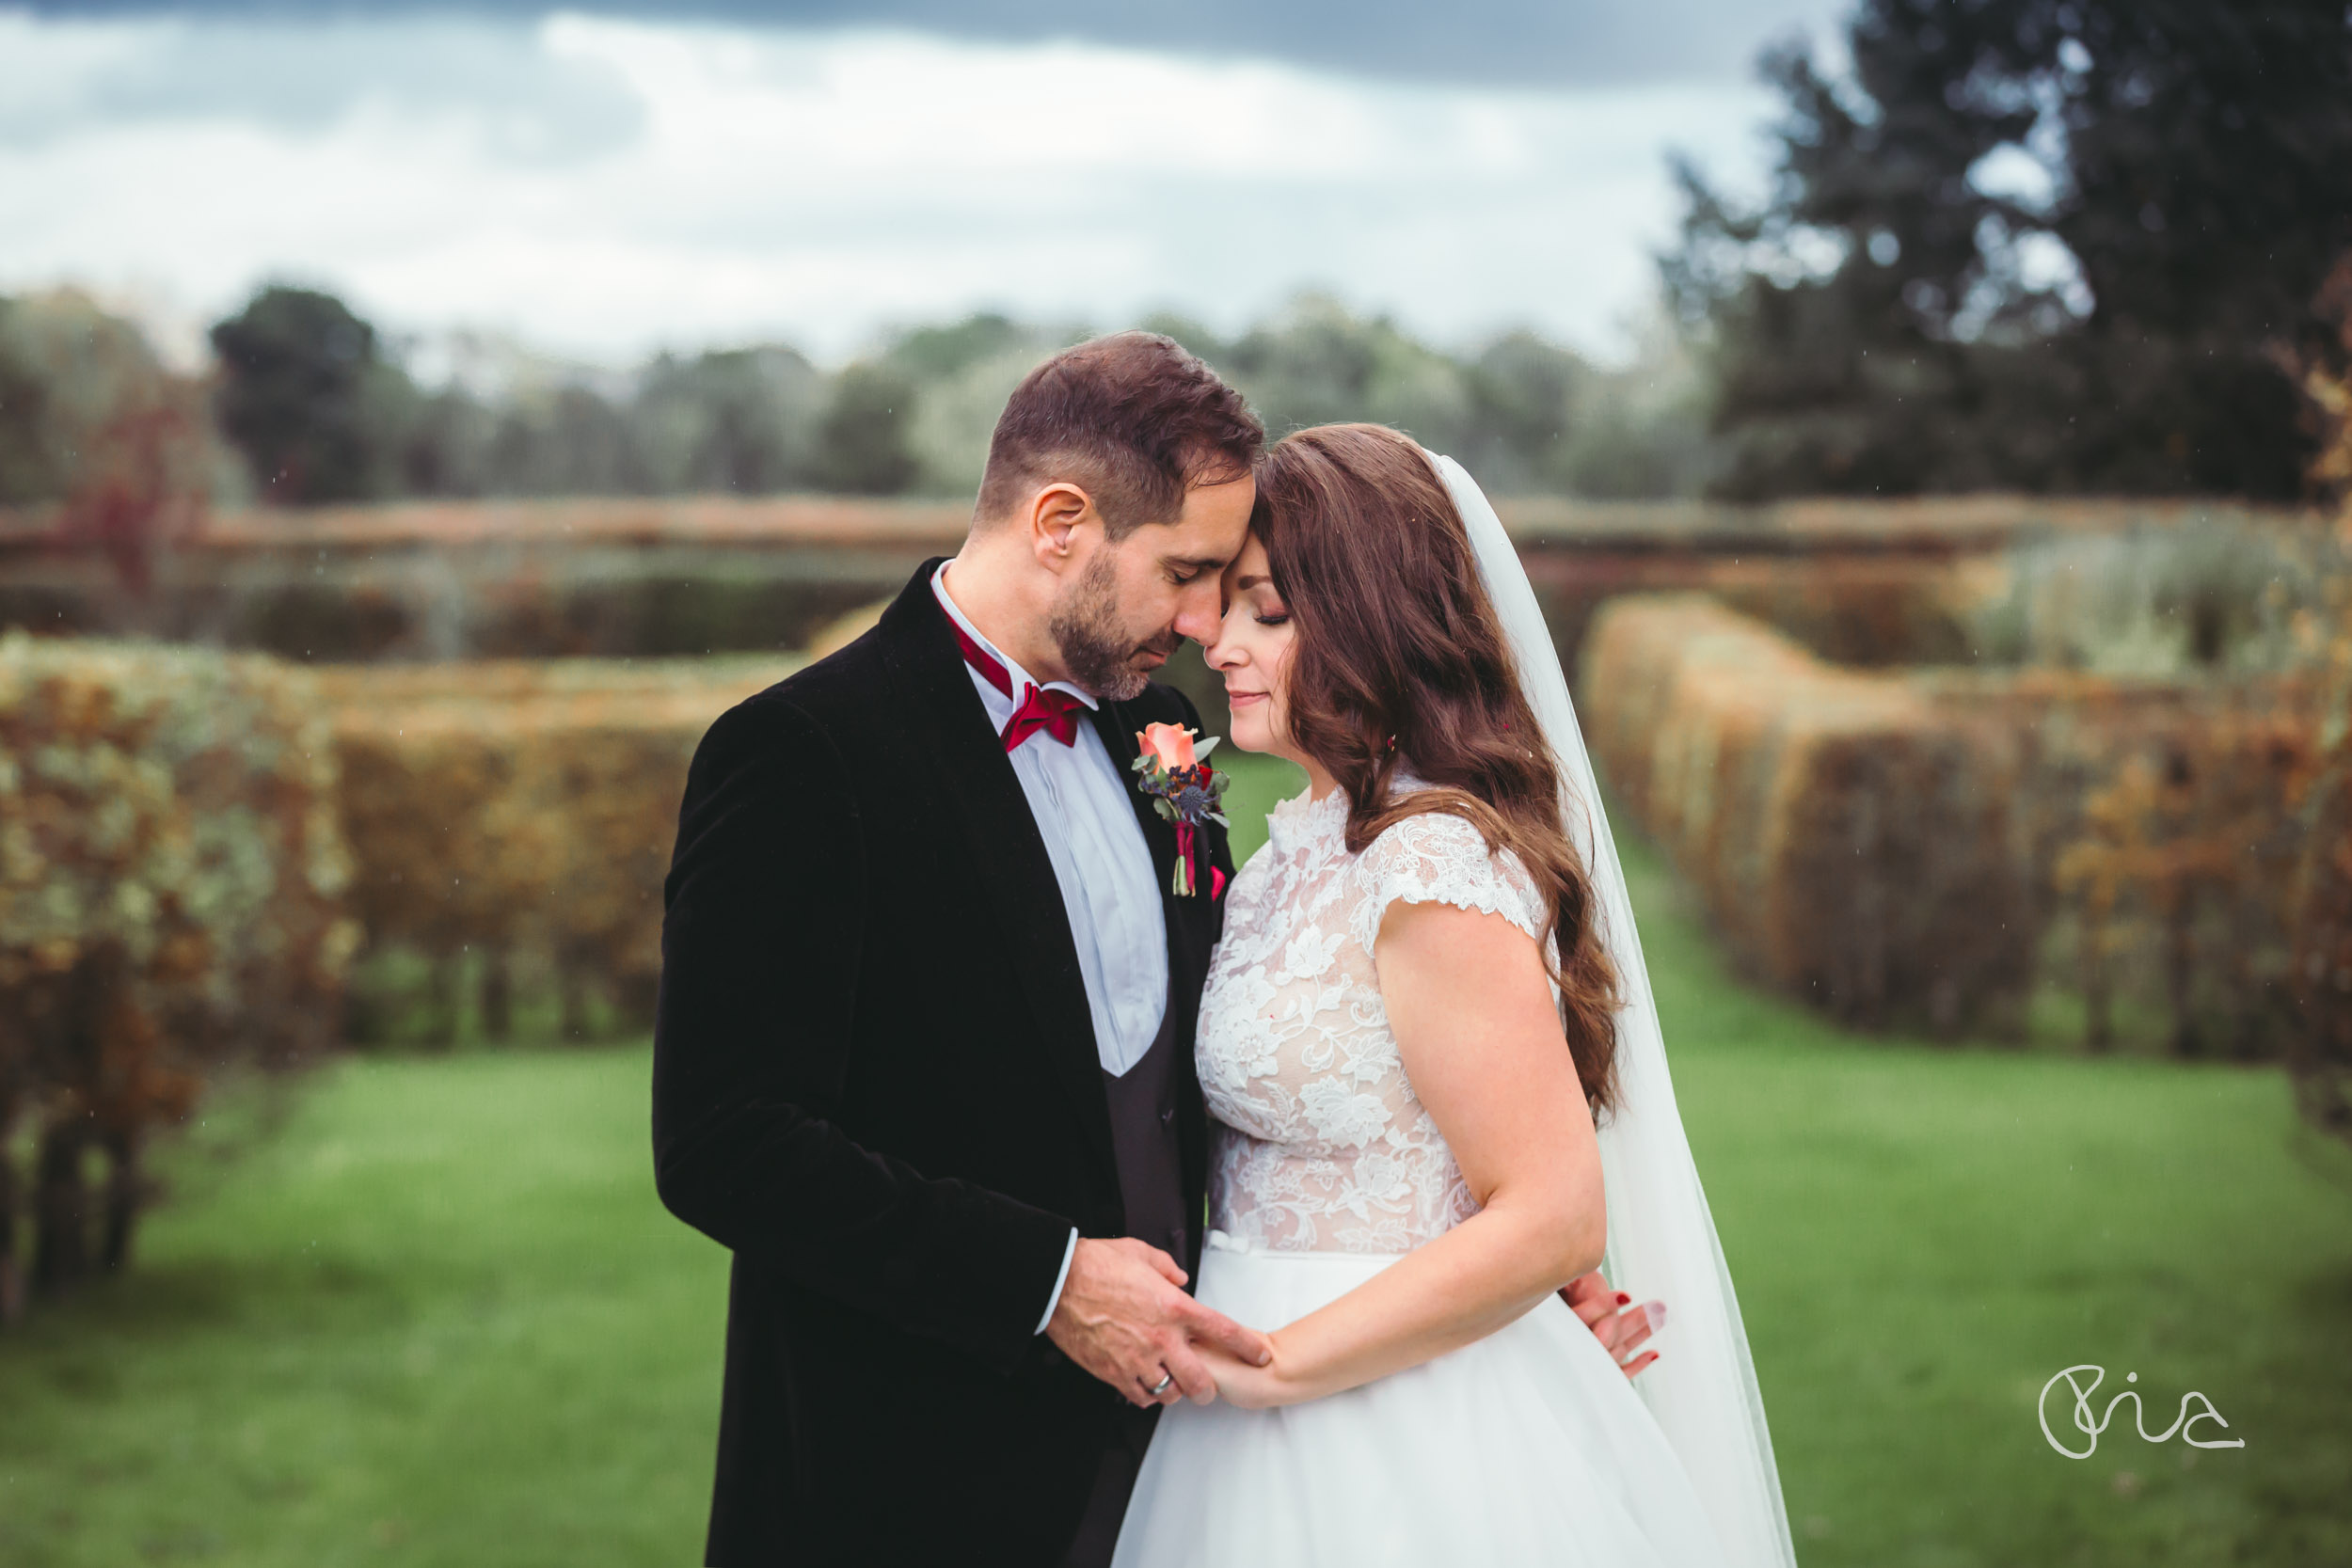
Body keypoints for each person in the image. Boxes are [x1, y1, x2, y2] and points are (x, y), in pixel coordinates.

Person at [653, 338, 1657, 1566]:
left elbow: (1259, 1046)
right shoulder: (804, 754)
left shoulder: (1163, 732)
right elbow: (724, 1141)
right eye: (1188, 573)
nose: (1201, 625)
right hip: (919, 1464)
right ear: (1062, 523)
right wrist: (1049, 1275)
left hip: (1203, 1444)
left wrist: (1496, 1303)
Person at [1109, 424, 1798, 1568]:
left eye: (1267, 613)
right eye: (1226, 607)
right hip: (1236, 1397)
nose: (1218, 643)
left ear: (1373, 617)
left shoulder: (1425, 866)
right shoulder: (1296, 846)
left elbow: (1554, 1210)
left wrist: (1276, 1366)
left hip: (1391, 1418)